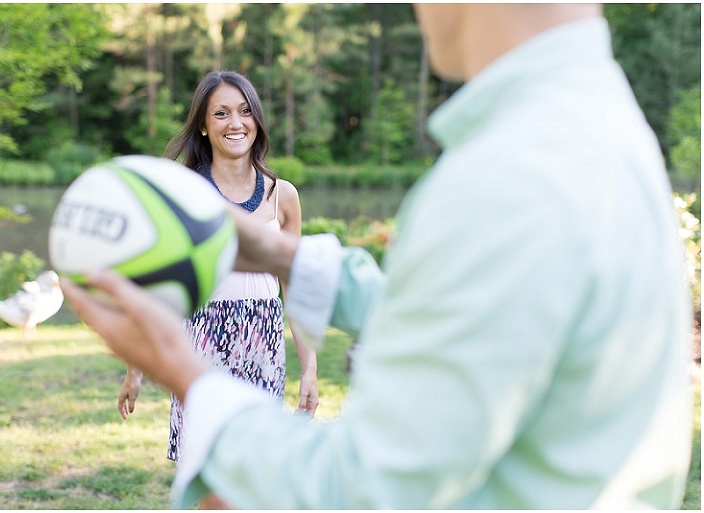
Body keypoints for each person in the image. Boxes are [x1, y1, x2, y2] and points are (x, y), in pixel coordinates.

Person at [63, 4, 694, 509]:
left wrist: (188, 376)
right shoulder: (600, 124)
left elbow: (366, 489)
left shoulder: (507, 175)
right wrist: (281, 255)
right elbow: (465, 323)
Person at [114, 71, 319, 506]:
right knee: (209, 477)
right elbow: (155, 283)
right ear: (204, 126)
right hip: (202, 344)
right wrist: (135, 369)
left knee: (257, 473)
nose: (235, 123)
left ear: (257, 119)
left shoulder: (282, 196)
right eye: (221, 113)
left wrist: (310, 368)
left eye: (245, 111)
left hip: (263, 346)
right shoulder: (182, 192)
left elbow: (295, 287)